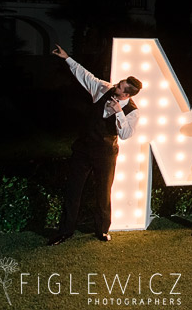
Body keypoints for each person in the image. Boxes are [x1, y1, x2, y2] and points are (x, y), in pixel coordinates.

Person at [47, 45, 142, 245]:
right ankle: (65, 231)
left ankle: (101, 230)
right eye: (118, 83)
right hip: (83, 148)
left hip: (106, 153)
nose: (115, 86)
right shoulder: (103, 88)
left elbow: (126, 135)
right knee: (73, 190)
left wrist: (119, 113)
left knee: (103, 191)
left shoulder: (132, 111)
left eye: (119, 87)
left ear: (126, 95)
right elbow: (85, 75)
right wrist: (67, 58)